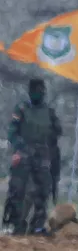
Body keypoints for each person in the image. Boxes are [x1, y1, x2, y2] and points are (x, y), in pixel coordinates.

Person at [3, 78, 61, 235]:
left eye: (41, 91)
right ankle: (15, 224)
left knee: (43, 190)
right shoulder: (22, 109)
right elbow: (12, 132)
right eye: (36, 91)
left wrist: (50, 145)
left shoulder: (48, 111)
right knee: (17, 190)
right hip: (24, 153)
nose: (39, 94)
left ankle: (37, 226)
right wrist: (19, 146)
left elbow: (57, 131)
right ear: (30, 92)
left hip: (42, 154)